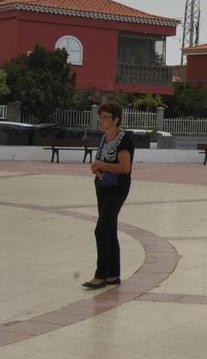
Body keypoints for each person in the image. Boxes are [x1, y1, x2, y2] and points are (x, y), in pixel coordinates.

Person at [82, 102, 134, 290]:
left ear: (116, 119)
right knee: (109, 229)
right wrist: (97, 168)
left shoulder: (124, 139)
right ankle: (113, 274)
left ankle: (101, 275)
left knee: (101, 229)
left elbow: (125, 167)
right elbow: (103, 160)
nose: (101, 120)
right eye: (101, 117)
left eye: (105, 117)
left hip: (117, 187)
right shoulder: (105, 137)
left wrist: (102, 166)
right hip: (103, 185)